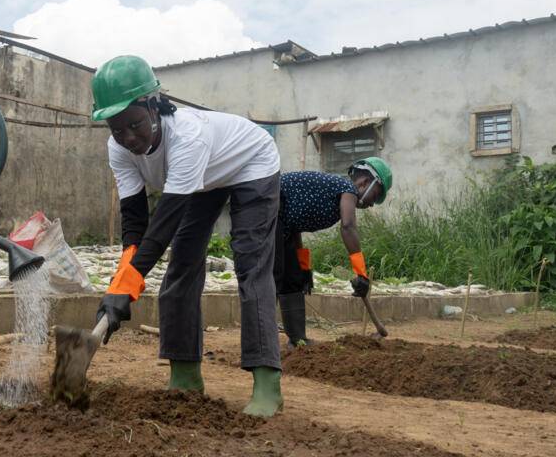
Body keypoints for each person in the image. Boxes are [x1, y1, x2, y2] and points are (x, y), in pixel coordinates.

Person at [91, 55, 284, 417]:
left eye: (135, 125)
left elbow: (163, 224)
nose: (129, 138)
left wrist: (126, 286)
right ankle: (185, 377)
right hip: (202, 178)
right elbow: (135, 223)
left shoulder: (187, 135)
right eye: (118, 130)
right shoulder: (118, 149)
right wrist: (121, 282)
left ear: (152, 105)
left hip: (250, 163)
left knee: (250, 264)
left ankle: (267, 384)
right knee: (181, 264)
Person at [273, 159, 392, 348]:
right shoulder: (347, 190)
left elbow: (296, 225)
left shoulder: (336, 192)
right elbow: (348, 227)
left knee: (293, 277)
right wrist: (360, 273)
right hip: (269, 206)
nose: (371, 205)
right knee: (273, 276)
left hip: (283, 222)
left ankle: (297, 341)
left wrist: (304, 267)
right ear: (364, 184)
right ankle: (263, 345)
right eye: (375, 196)